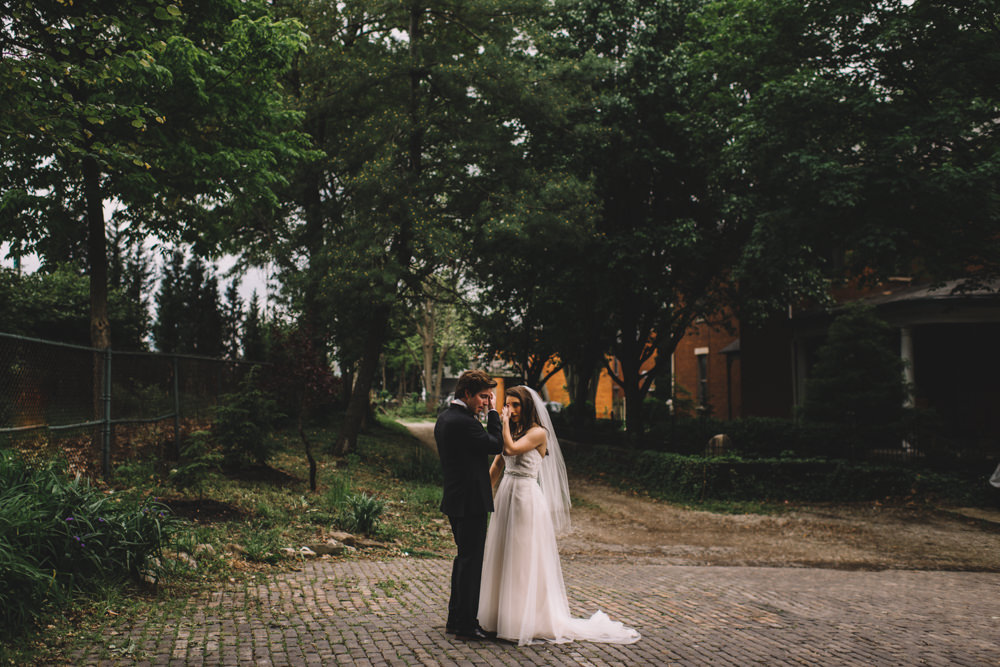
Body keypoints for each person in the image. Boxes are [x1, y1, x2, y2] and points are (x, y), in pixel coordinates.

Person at [478, 386, 640, 646]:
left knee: (522, 556)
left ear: (527, 406)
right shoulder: (514, 429)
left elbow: (509, 449)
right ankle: (499, 617)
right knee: (502, 552)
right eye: (508, 405)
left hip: (526, 498)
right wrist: (481, 494)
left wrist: (502, 420)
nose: (511, 410)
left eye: (516, 405)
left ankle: (524, 620)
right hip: (506, 494)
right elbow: (498, 463)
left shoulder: (537, 433)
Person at [435, 369, 503, 640]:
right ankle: (465, 624)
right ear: (467, 394)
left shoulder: (445, 418)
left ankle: (456, 619)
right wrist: (496, 414)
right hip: (471, 502)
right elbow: (496, 444)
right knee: (471, 563)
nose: (486, 402)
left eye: (489, 399)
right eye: (484, 397)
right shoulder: (464, 422)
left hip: (457, 500)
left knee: (463, 560)